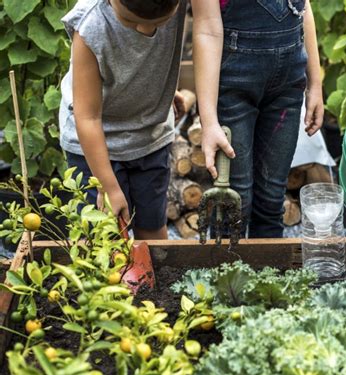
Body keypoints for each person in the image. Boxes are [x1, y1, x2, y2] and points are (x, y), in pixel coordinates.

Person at [192, 0, 324, 238]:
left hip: (287, 87)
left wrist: (315, 83)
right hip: (233, 85)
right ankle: (227, 274)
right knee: (234, 201)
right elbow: (207, 28)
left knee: (272, 200)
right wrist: (209, 121)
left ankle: (266, 275)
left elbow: (304, 7)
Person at [59, 0, 187, 239]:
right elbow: (87, 117)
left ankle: (153, 276)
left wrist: (157, 90)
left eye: (159, 25)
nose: (142, 31)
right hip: (94, 144)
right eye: (129, 21)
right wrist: (106, 186)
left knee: (152, 228)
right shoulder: (90, 25)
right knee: (103, 235)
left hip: (150, 137)